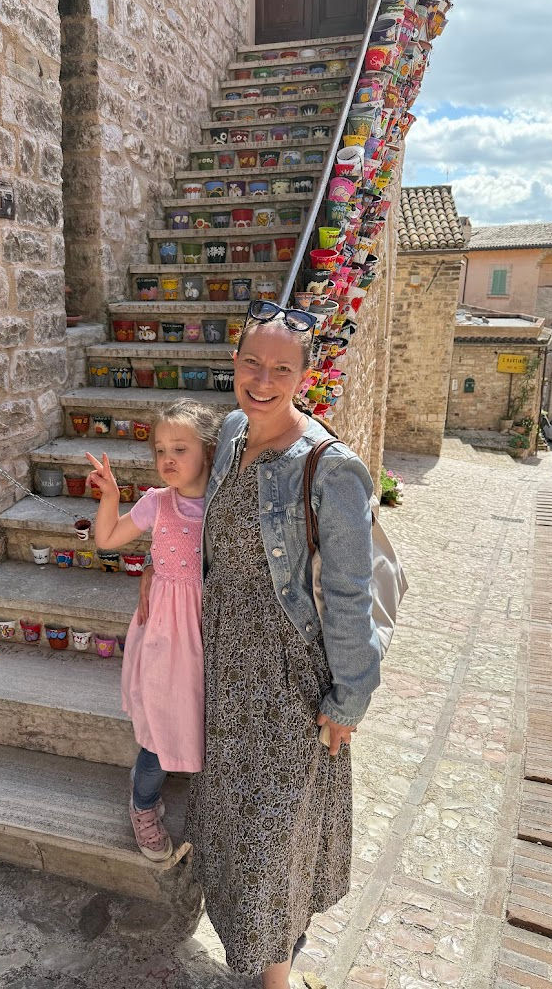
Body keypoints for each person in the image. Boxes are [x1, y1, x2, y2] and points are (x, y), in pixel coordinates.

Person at [138, 301, 382, 989]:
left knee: (273, 834)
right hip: (223, 658)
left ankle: (273, 976)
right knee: (229, 823)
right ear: (234, 362)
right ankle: (260, 952)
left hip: (286, 673)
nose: (262, 378)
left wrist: (349, 697)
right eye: (251, 362)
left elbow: (348, 594)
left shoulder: (332, 470)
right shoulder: (236, 432)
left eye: (281, 367)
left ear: (305, 373)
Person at [85, 399, 222, 862]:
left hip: (215, 632)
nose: (167, 459)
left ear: (208, 450)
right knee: (158, 733)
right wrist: (110, 499)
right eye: (160, 449)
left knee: (208, 719)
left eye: (180, 449)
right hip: (165, 635)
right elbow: (106, 539)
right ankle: (143, 804)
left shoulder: (227, 506)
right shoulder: (156, 504)